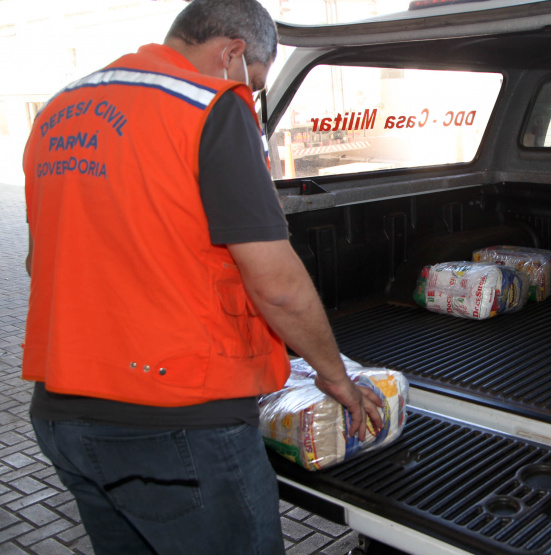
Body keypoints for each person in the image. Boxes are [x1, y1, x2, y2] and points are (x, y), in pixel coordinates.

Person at [21, 0, 383, 553]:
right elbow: (277, 285)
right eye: (256, 82)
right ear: (233, 53)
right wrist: (334, 377)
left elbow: (37, 261)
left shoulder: (59, 111)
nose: (252, 95)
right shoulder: (207, 106)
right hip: (175, 426)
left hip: (62, 415)